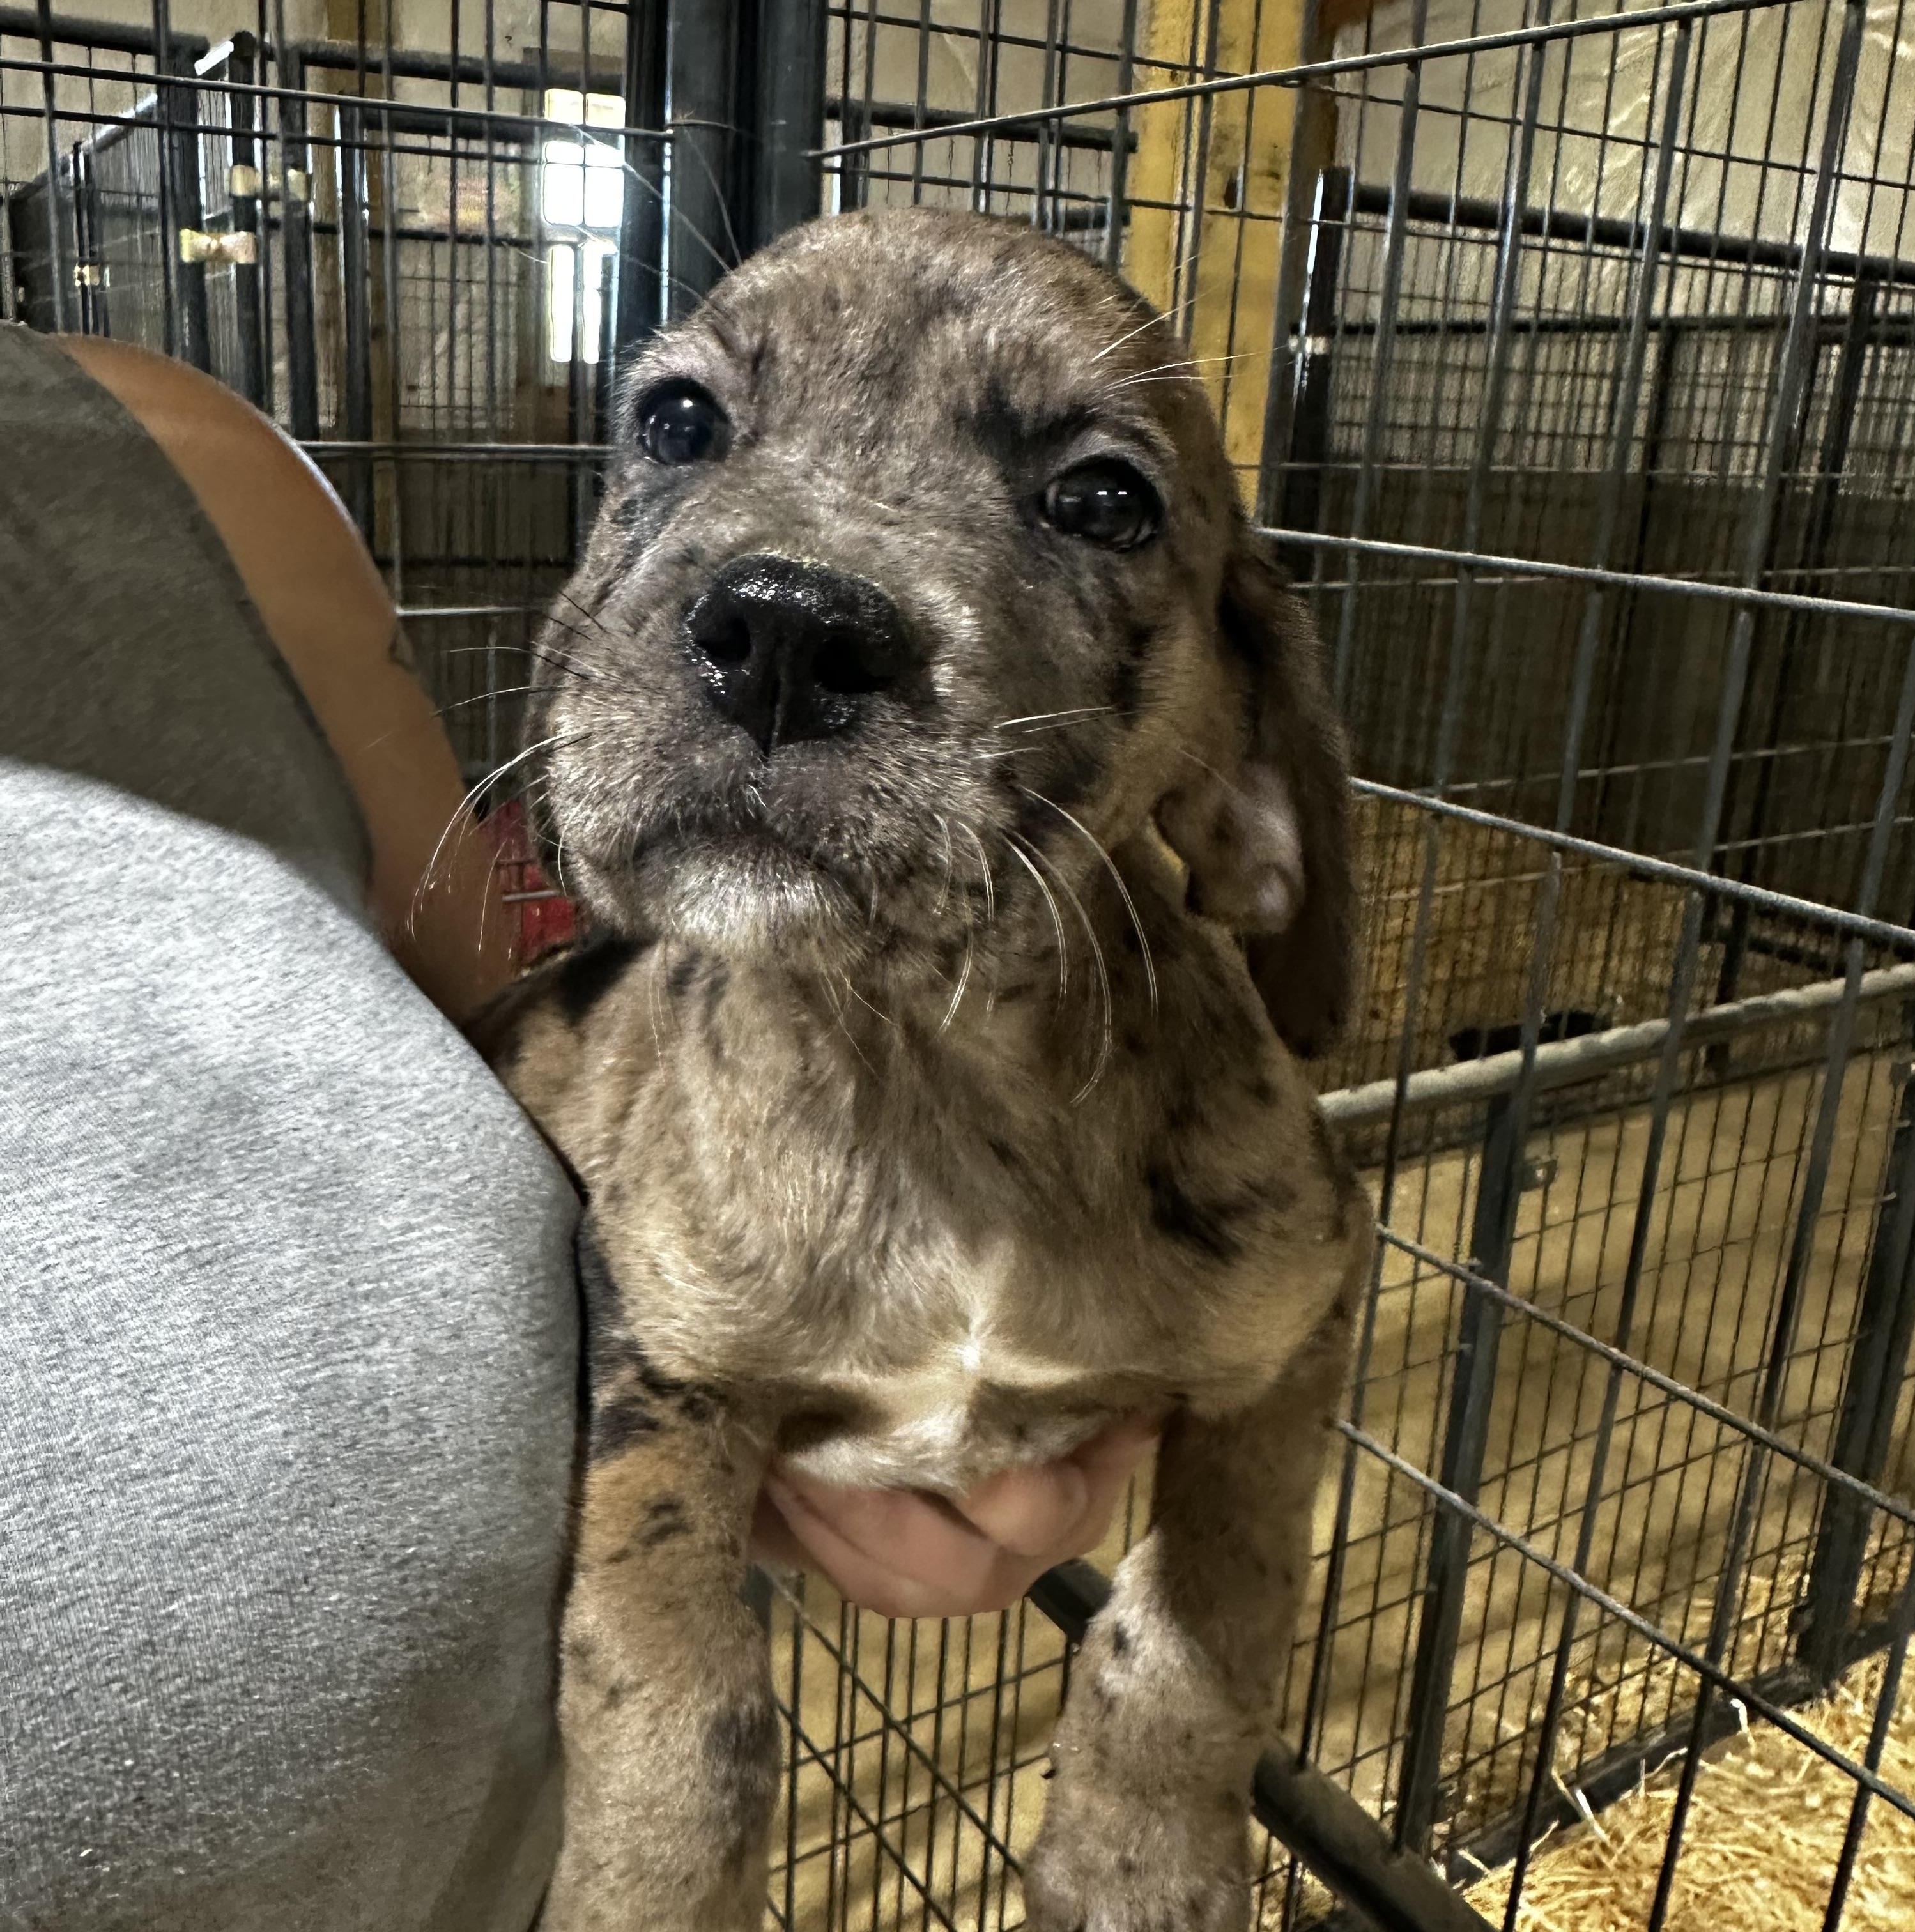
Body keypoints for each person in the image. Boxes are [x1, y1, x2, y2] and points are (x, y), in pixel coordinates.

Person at [0, 325, 1155, 1932]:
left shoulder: (178, 452)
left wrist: (787, 1369)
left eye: (1091, 502)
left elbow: (531, 1050)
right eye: (681, 424)